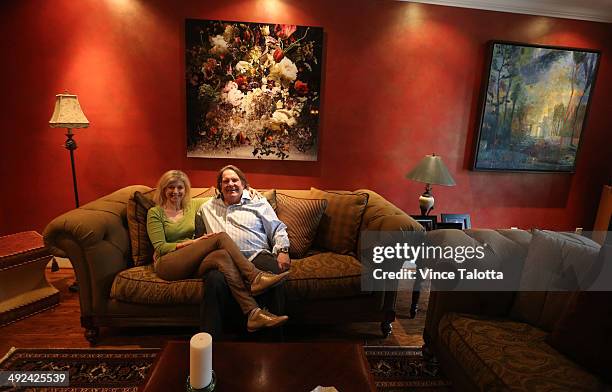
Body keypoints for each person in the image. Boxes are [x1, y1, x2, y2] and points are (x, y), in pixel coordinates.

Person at [146, 169, 290, 332]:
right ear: (163, 189)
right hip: (169, 262)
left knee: (222, 256)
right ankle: (255, 276)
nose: (175, 192)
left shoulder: (194, 205)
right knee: (220, 237)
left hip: (204, 259)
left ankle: (253, 313)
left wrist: (250, 191)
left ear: (186, 189)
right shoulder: (155, 212)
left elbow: (229, 194)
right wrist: (193, 243)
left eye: (180, 187)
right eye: (170, 187)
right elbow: (160, 247)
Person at [195, 165, 291, 337]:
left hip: (256, 255)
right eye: (225, 181)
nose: (230, 184)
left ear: (244, 184)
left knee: (274, 274)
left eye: (235, 180)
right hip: (224, 261)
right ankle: (211, 344)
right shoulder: (205, 208)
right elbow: (181, 205)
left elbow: (277, 229)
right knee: (213, 280)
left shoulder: (259, 202)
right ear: (219, 186)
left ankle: (274, 341)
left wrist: (283, 250)